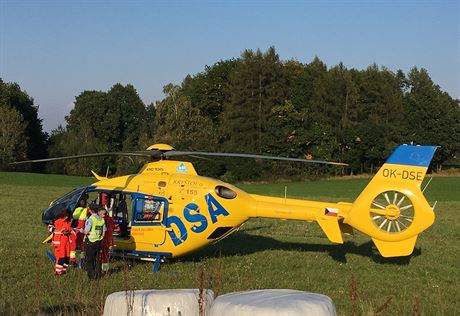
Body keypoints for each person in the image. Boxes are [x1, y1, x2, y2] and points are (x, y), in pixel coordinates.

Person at [82, 203, 106, 280]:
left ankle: (92, 277)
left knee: (89, 260)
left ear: (90, 210)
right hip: (98, 242)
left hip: (91, 242)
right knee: (97, 259)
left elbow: (86, 231)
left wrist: (80, 230)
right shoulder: (102, 220)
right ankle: (98, 274)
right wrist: (100, 237)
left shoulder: (91, 219)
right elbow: (104, 231)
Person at [48, 208, 72, 276]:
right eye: (66, 215)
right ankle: (58, 272)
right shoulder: (57, 221)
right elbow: (50, 227)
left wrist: (68, 231)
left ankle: (64, 270)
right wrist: (58, 230)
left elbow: (69, 229)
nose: (67, 217)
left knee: (67, 256)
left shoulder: (68, 222)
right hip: (59, 242)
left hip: (66, 241)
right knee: (61, 257)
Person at [71, 196, 89, 266]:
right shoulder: (85, 210)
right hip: (81, 231)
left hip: (74, 231)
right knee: (82, 246)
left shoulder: (74, 210)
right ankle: (82, 260)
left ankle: (72, 261)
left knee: (73, 247)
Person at [100, 207, 115, 273]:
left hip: (102, 239)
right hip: (108, 240)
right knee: (106, 256)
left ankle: (100, 269)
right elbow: (113, 228)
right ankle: (105, 270)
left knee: (100, 256)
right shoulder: (111, 219)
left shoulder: (101, 219)